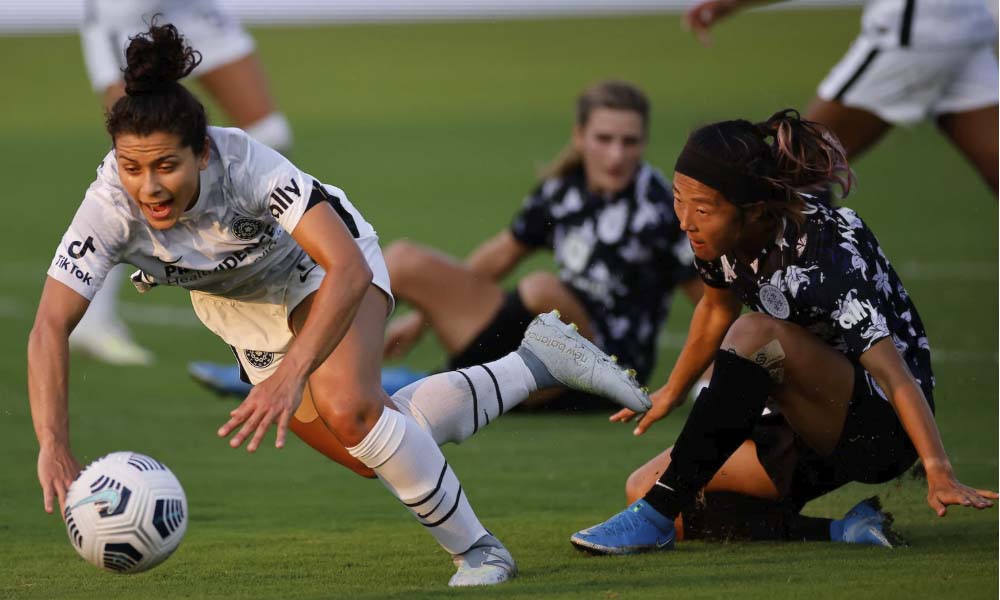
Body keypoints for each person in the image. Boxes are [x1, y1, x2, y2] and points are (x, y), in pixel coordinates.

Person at [27, 23, 652, 587]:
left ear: (203, 153)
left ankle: (481, 553)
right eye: (133, 168)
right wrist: (52, 442)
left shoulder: (247, 163)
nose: (149, 186)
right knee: (373, 449)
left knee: (351, 410)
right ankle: (538, 362)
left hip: (323, 269)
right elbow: (52, 324)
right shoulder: (109, 205)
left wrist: (292, 373)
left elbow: (346, 267)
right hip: (241, 311)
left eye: (166, 165)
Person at [569, 109, 997, 555]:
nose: (684, 220)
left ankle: (653, 519)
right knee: (644, 487)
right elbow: (715, 308)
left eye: (701, 208)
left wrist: (937, 466)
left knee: (755, 333)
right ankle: (842, 531)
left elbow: (894, 376)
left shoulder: (825, 253)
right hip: (802, 415)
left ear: (752, 211)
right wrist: (672, 390)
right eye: (678, 199)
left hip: (880, 428)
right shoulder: (716, 236)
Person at [381, 80, 703, 409]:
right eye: (604, 139)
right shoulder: (561, 191)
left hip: (607, 367)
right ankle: (347, 380)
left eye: (629, 142)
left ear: (644, 143)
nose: (616, 154)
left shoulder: (662, 208)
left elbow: (710, 303)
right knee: (401, 260)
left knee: (540, 289)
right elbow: (502, 254)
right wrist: (421, 319)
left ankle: (462, 382)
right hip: (545, 337)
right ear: (580, 137)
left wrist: (707, 375)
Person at [73, 0, 294, 365]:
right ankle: (91, 315)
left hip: (186, 5)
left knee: (269, 133)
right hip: (127, 9)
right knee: (139, 154)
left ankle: (250, 252)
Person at [682, 0, 997, 195]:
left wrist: (732, 2)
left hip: (915, 28)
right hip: (965, 25)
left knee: (790, 171)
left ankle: (799, 291)